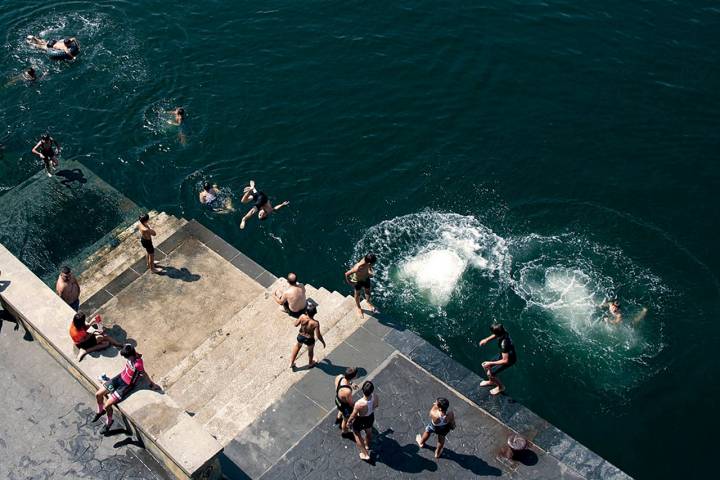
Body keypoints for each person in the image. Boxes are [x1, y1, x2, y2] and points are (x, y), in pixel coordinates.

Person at [92, 344, 161, 434]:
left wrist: (152, 385)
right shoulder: (131, 351)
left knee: (108, 405)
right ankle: (100, 411)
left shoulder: (138, 364)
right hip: (119, 378)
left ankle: (109, 423)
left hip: (125, 386)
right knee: (98, 394)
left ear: (131, 355)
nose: (126, 359)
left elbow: (144, 374)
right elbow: (130, 348)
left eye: (126, 357)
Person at [478, 323, 517, 396]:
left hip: (509, 360)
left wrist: (490, 363)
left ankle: (501, 387)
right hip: (503, 355)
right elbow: (496, 334)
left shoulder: (504, 344)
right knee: (485, 366)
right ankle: (491, 381)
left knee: (491, 373)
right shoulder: (503, 331)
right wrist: (486, 339)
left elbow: (506, 361)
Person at [347, 381, 379, 461]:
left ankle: (365, 454)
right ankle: (367, 445)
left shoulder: (359, 403)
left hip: (361, 420)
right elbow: (376, 405)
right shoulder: (375, 396)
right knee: (369, 432)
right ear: (372, 390)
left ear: (363, 390)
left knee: (356, 434)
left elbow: (353, 415)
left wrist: (349, 422)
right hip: (370, 417)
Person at [289, 304, 325, 369]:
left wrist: (300, 320)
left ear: (306, 312)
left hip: (301, 336)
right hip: (309, 339)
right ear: (315, 313)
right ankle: (310, 363)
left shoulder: (302, 316)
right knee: (310, 351)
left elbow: (295, 324)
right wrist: (323, 342)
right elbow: (318, 335)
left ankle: (291, 363)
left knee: (297, 347)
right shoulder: (315, 323)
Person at [345, 253, 377, 317]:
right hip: (358, 281)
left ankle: (368, 301)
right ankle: (359, 308)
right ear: (369, 264)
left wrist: (369, 272)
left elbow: (368, 267)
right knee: (358, 294)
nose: (374, 265)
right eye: (373, 264)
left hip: (366, 278)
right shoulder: (358, 268)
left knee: (368, 291)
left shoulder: (366, 260)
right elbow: (346, 274)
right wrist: (350, 282)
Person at [334, 367, 358, 435]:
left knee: (340, 409)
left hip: (337, 400)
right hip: (344, 406)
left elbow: (346, 380)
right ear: (354, 377)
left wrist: (351, 383)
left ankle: (338, 418)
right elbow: (350, 403)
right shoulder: (347, 391)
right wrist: (357, 407)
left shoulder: (339, 376)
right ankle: (344, 431)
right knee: (345, 419)